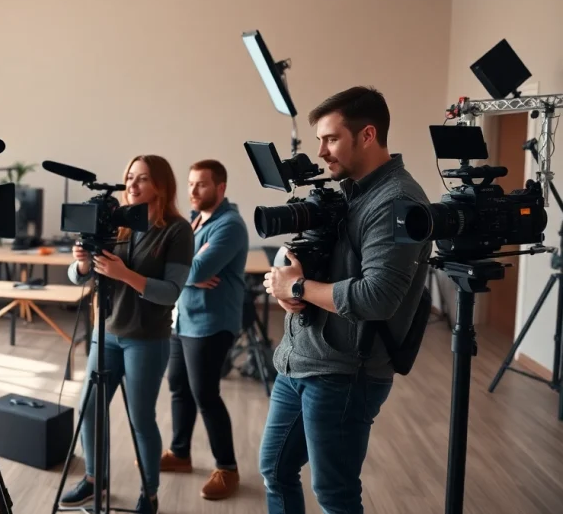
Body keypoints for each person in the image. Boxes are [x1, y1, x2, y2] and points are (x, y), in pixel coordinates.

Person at [261, 86, 431, 514]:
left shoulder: (397, 201)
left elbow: (377, 297)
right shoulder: (351, 190)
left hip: (345, 374)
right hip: (301, 359)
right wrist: (291, 290)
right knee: (275, 471)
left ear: (368, 135)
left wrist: (297, 289)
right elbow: (324, 260)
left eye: (331, 138)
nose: (320, 151)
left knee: (334, 493)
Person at [59, 155, 195, 514]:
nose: (132, 185)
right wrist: (83, 263)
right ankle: (93, 479)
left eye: (143, 179)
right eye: (130, 177)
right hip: (106, 333)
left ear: (161, 186)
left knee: (140, 419)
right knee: (89, 409)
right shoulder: (116, 222)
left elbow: (171, 291)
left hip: (146, 338)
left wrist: (125, 275)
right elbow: (78, 277)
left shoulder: (177, 230)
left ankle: (149, 494)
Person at [161, 159, 247, 501]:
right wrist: (189, 273)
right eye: (191, 184)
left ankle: (227, 468)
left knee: (205, 395)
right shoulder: (197, 220)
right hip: (183, 319)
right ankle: (180, 454)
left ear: (220, 188)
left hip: (211, 325)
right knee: (178, 387)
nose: (193, 191)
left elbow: (194, 268)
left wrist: (188, 271)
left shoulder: (230, 226)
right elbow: (185, 268)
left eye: (202, 185)